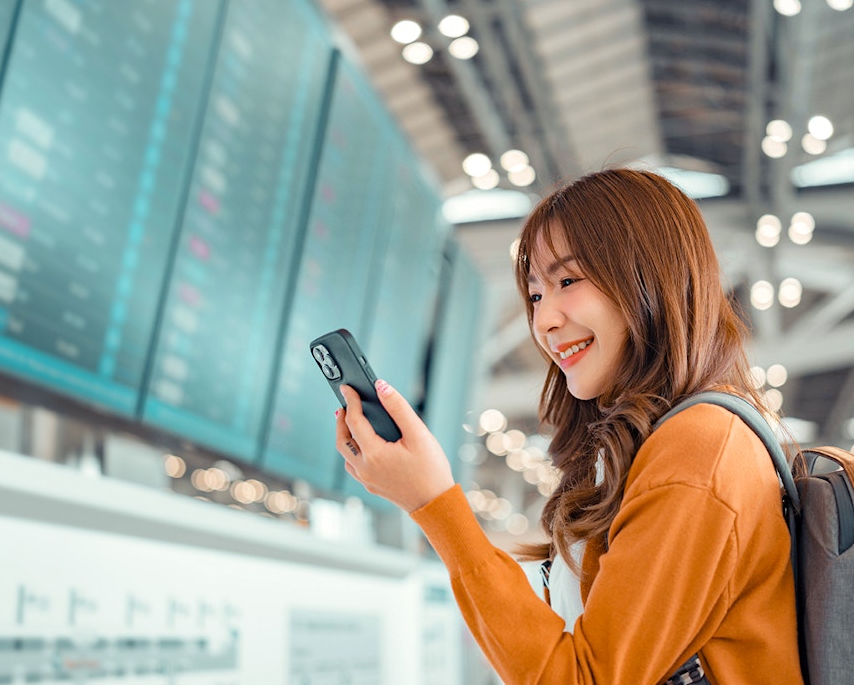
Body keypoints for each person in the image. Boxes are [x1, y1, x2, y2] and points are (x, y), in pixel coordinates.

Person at [335, 168, 802, 684]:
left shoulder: (699, 451)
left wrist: (434, 504)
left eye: (567, 281)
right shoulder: (660, 446)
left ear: (648, 276)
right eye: (535, 295)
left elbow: (582, 677)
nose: (544, 321)